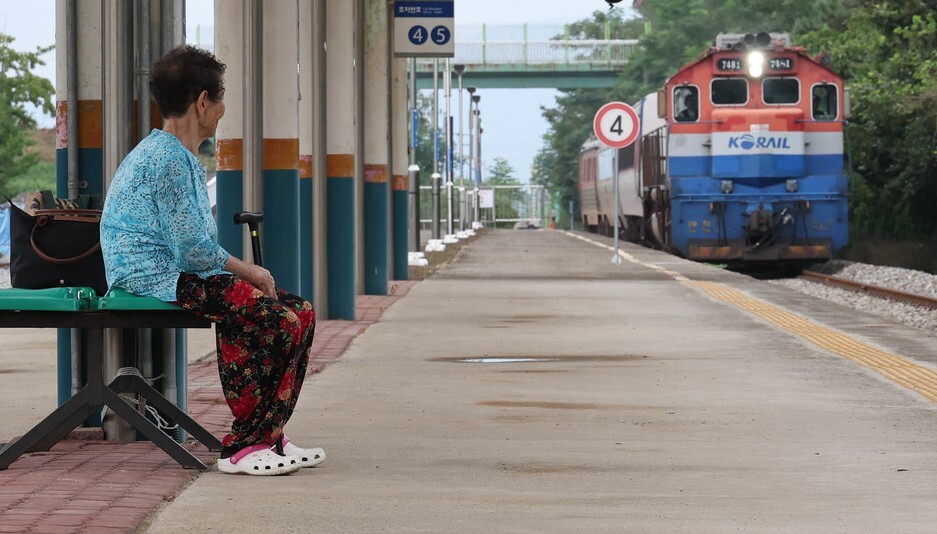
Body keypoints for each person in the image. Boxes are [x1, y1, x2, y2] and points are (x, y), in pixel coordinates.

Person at [100, 45, 324, 476]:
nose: (222, 111)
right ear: (203, 101)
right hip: (155, 276)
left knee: (301, 312)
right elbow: (194, 251)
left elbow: (194, 250)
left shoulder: (169, 153)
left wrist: (240, 276)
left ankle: (268, 435)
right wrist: (251, 271)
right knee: (279, 320)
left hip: (175, 273)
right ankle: (244, 446)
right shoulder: (169, 159)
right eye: (220, 101)